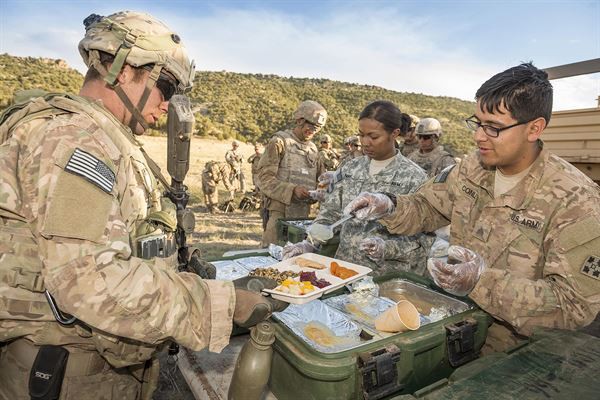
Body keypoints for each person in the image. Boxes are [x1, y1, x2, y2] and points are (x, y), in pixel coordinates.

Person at [0, 11, 283, 399]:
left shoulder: (108, 139)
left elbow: (133, 239)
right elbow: (90, 281)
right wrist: (220, 305)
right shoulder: (73, 139)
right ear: (121, 68)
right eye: (165, 86)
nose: (168, 105)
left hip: (108, 364)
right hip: (69, 375)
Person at [344, 63, 600, 352]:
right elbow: (427, 206)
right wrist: (388, 206)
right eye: (478, 123)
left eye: (493, 127)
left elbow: (573, 306)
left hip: (513, 351)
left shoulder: (575, 200)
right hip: (452, 321)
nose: (479, 136)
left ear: (534, 128)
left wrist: (481, 281)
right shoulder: (471, 168)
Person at [283, 101, 433, 276]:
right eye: (361, 135)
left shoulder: (415, 177)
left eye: (373, 137)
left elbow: (425, 239)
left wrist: (387, 248)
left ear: (395, 134)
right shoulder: (350, 168)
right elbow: (330, 213)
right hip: (342, 271)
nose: (365, 143)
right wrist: (309, 242)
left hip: (384, 277)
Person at [256, 100, 327, 247]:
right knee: (273, 256)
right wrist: (292, 190)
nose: (314, 131)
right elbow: (264, 178)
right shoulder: (279, 142)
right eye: (311, 126)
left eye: (318, 128)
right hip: (279, 214)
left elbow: (321, 181)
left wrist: (318, 191)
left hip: (302, 216)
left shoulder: (314, 150)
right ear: (300, 120)